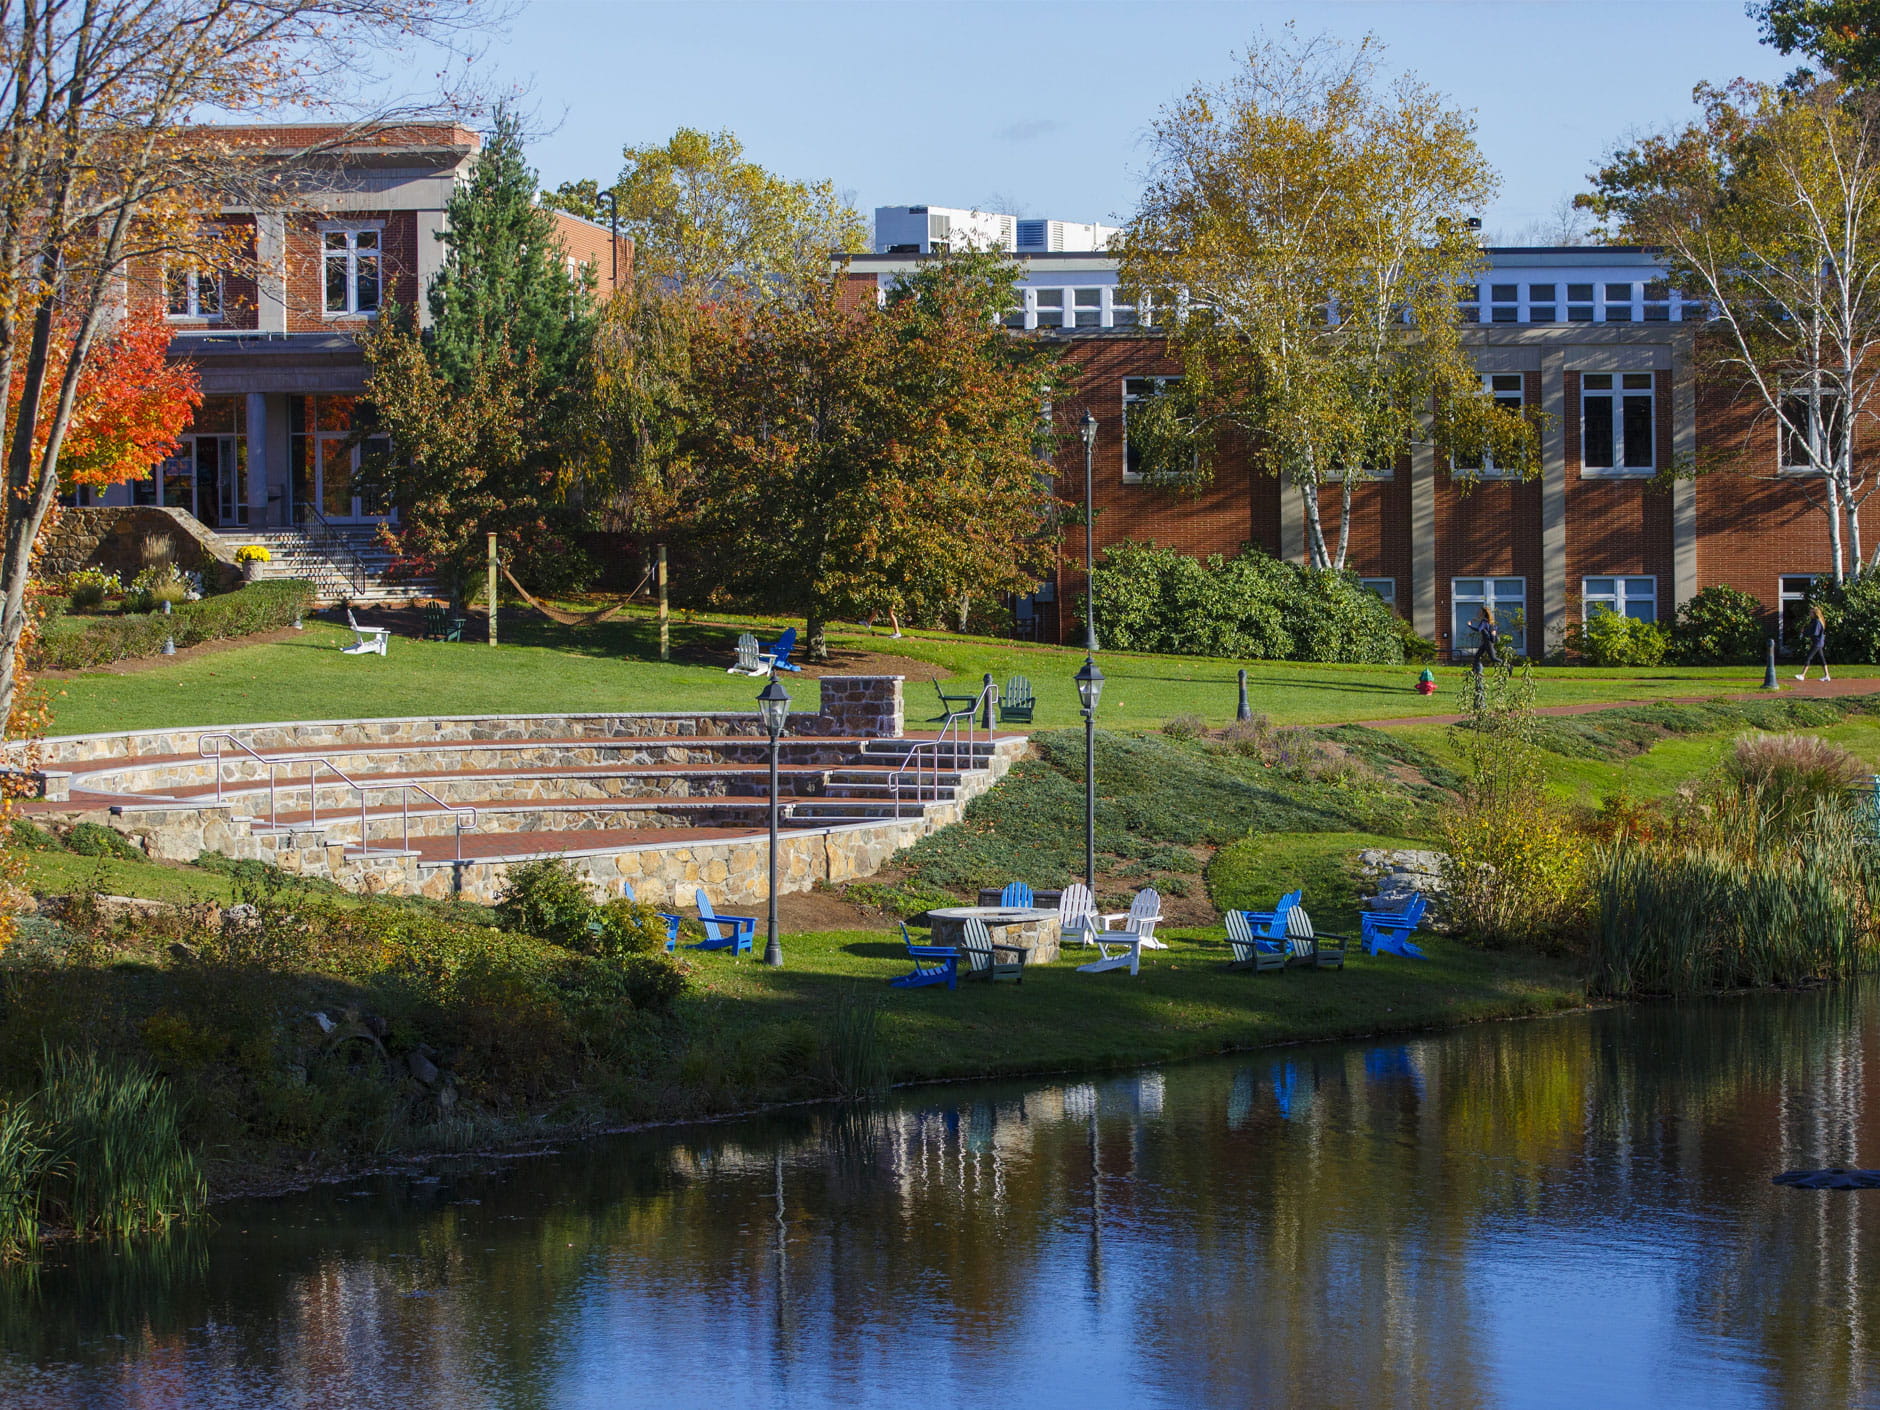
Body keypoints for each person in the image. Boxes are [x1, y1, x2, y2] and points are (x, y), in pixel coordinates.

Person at [1796, 604, 1832, 682]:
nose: (1809, 614)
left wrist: (1804, 632)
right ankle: (1827, 675)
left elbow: (1814, 632)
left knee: (1809, 657)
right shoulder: (1815, 621)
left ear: (1815, 613)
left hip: (1817, 643)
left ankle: (1802, 675)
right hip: (1818, 642)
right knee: (1822, 659)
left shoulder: (1817, 622)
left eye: (1811, 613)